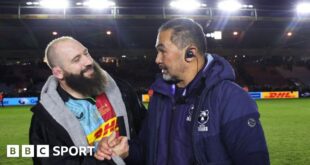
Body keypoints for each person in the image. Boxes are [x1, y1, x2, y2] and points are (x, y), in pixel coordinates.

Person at [123, 18, 270, 165]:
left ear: (190, 53)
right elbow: (145, 150)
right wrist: (125, 150)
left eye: (162, 51)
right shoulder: (160, 96)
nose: (157, 59)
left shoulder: (231, 98)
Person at [29, 36, 146, 165]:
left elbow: (146, 133)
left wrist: (130, 149)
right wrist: (110, 160)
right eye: (76, 59)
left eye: (86, 53)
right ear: (58, 73)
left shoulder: (121, 90)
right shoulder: (45, 120)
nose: (88, 61)